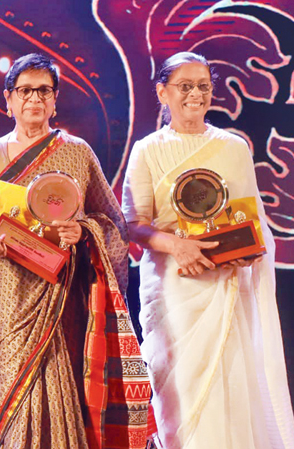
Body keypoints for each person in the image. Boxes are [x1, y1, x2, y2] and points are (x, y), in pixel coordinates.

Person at [0, 53, 152, 448]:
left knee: (65, 378)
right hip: (8, 286)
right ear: (8, 99)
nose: (34, 99)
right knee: (13, 382)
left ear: (55, 98)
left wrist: (81, 230)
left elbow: (112, 222)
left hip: (62, 285)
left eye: (43, 90)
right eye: (25, 90)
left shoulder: (77, 151)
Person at [121, 51, 294, 449]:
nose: (195, 95)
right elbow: (133, 223)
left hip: (226, 286)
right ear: (162, 92)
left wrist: (249, 250)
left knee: (231, 388)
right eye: (185, 86)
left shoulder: (233, 147)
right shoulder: (147, 151)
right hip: (173, 290)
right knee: (179, 393)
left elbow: (251, 221)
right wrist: (176, 245)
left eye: (203, 86)